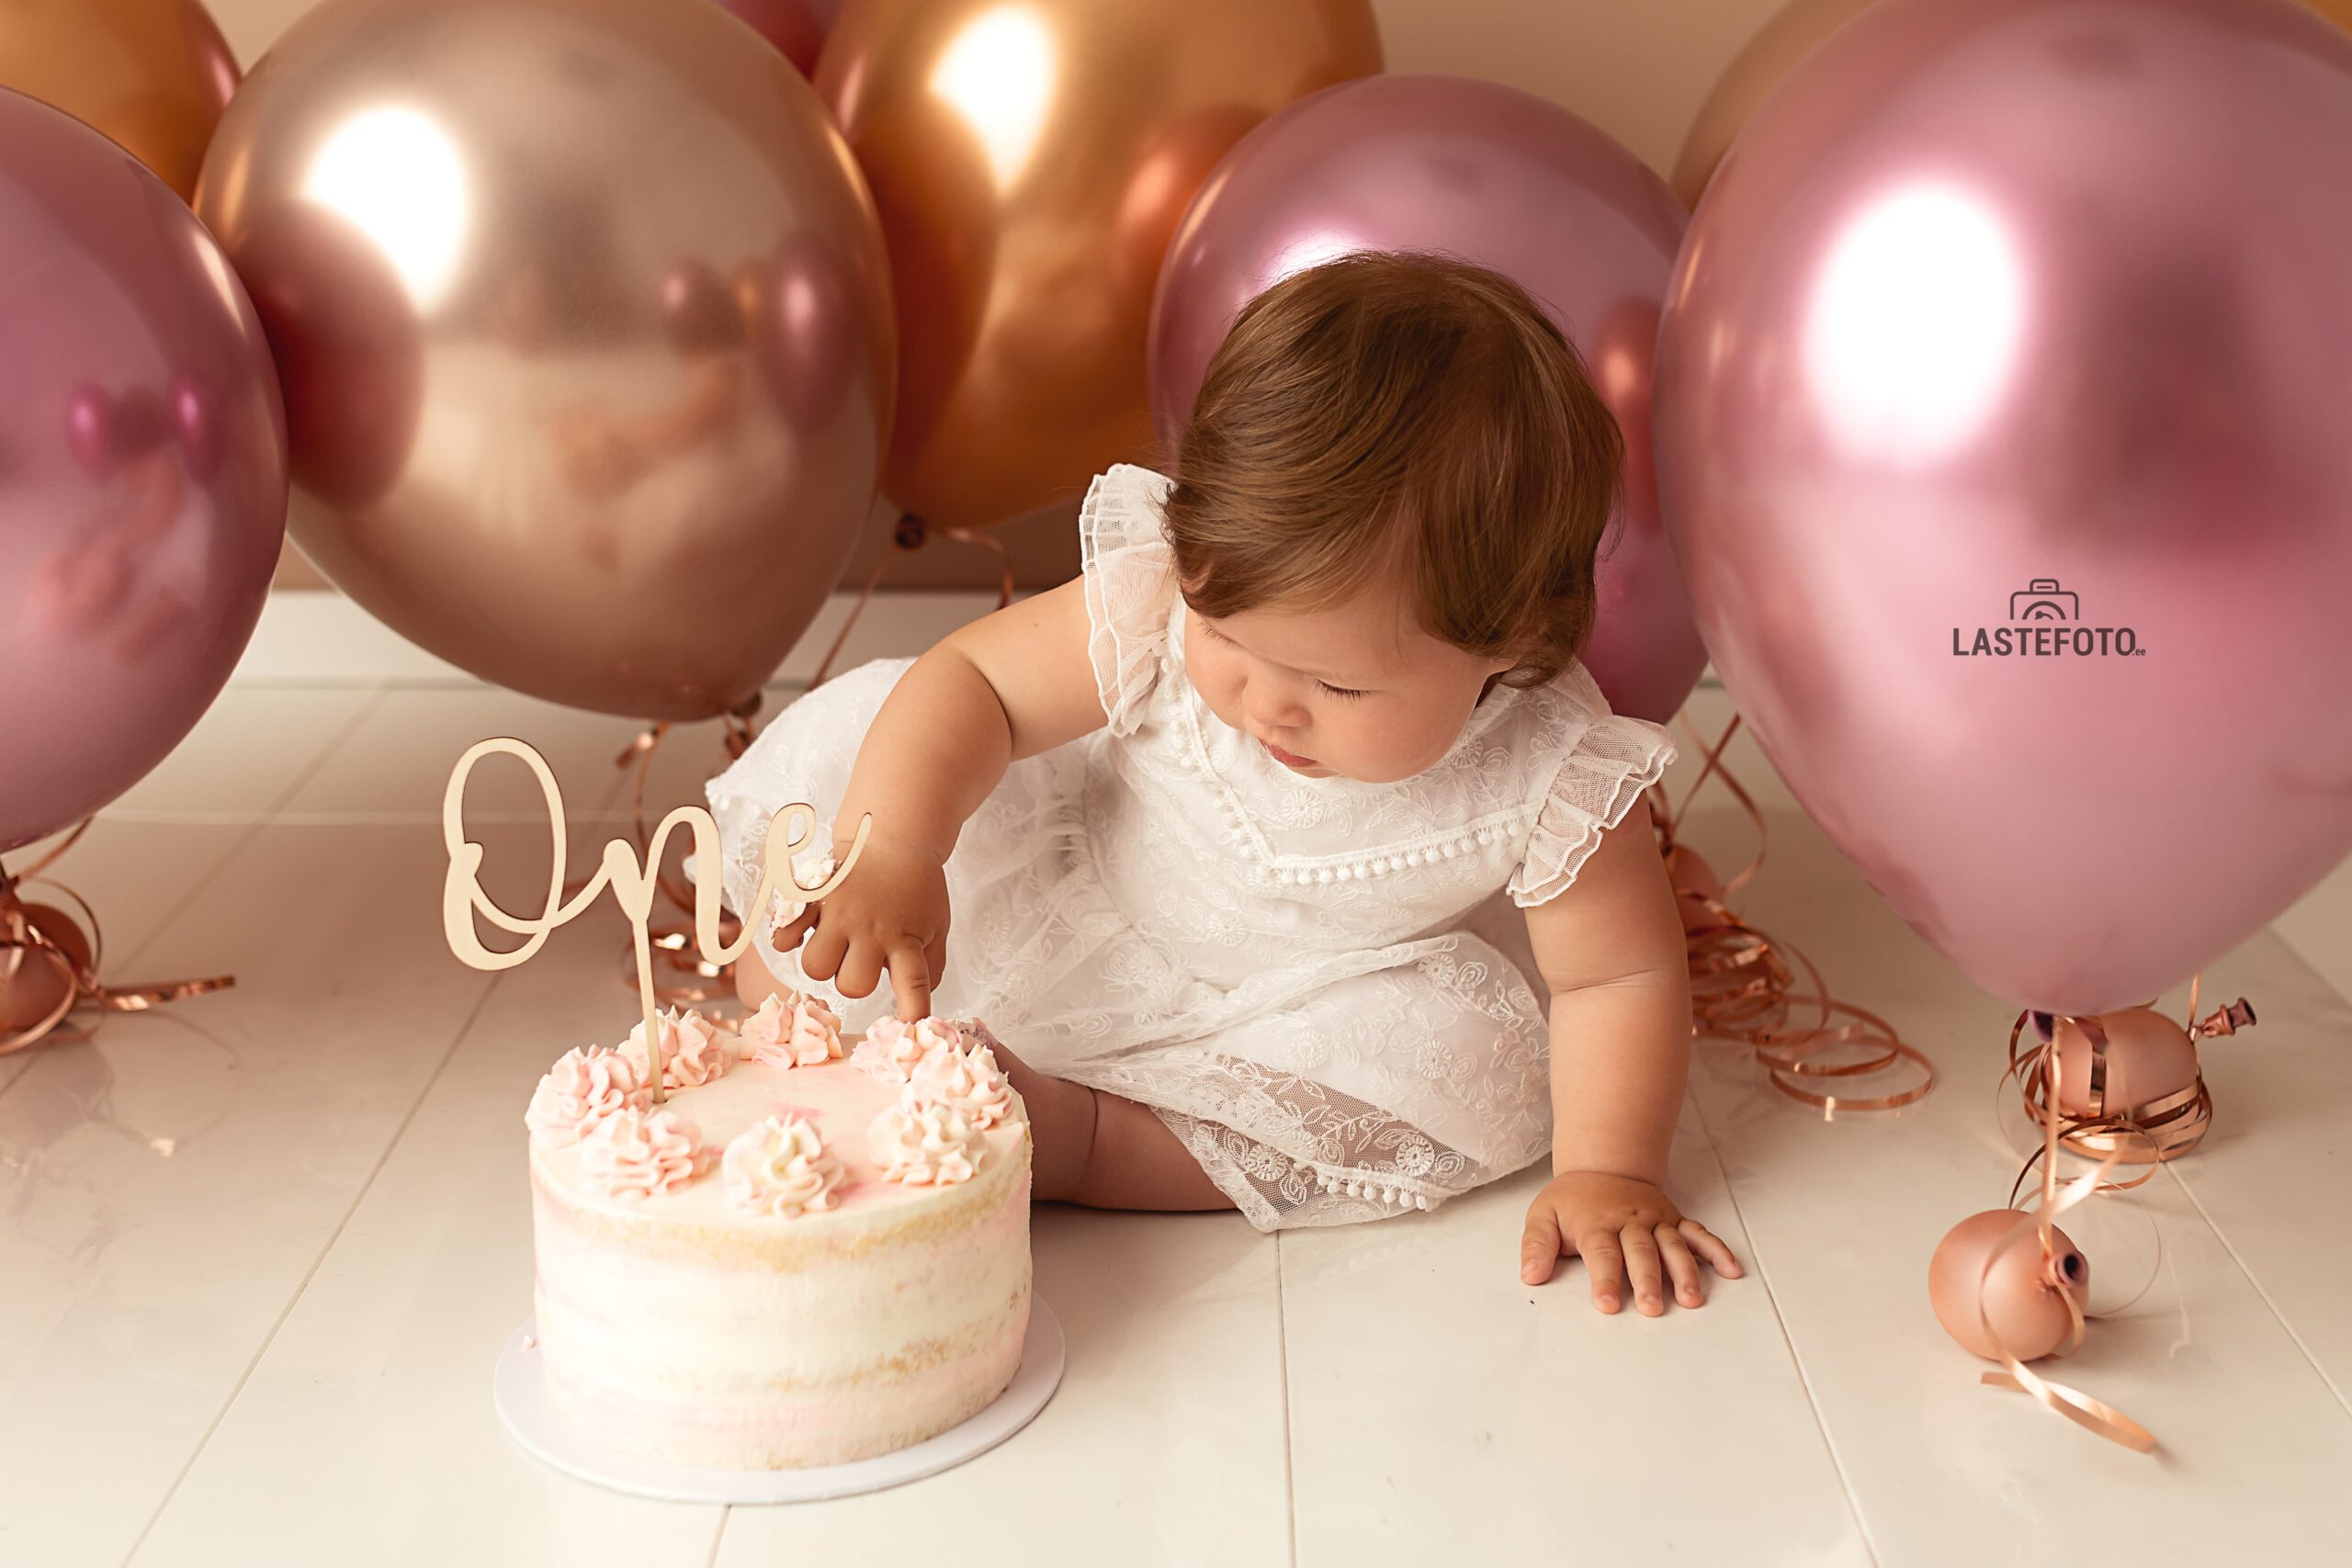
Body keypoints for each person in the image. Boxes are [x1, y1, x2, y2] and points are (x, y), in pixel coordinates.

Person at [710, 251, 1742, 1314]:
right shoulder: (1158, 599)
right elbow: (977, 682)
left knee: (1464, 1062)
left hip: (1302, 999)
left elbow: (1612, 981)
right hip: (1080, 888)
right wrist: (898, 848)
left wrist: (1611, 1168)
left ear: (1507, 644)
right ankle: (785, 987)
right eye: (1227, 636)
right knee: (881, 753)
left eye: (1336, 684)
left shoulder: (1551, 769)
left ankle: (1082, 1142)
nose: (1267, 705)